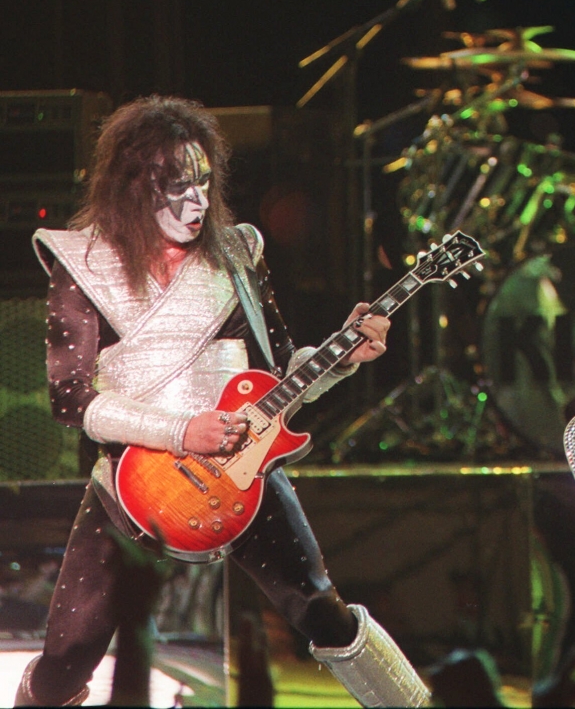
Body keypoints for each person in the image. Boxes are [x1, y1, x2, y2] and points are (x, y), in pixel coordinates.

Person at [15, 95, 429, 707]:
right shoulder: (82, 262)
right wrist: (183, 431)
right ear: (133, 184)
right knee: (68, 654)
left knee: (323, 611)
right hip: (135, 482)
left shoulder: (237, 253)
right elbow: (71, 399)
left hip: (244, 472)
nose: (199, 203)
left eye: (205, 182)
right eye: (177, 187)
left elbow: (279, 373)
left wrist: (342, 358)